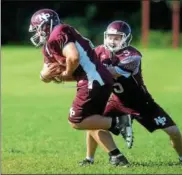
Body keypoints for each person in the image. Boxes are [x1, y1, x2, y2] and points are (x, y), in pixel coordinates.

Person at [80, 20, 182, 165]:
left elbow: (110, 72)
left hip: (142, 103)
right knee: (92, 123)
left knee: (174, 132)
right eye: (110, 37)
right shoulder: (99, 51)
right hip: (117, 101)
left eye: (117, 37)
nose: (112, 41)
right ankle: (89, 159)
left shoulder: (132, 56)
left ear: (125, 38)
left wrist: (88, 68)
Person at [28, 9, 134, 166]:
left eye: (38, 27)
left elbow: (74, 57)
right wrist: (46, 76)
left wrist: (65, 72)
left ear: (46, 25)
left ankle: (118, 121)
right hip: (96, 79)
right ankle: (114, 157)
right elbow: (54, 73)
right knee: (92, 121)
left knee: (77, 120)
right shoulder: (49, 45)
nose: (36, 32)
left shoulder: (58, 32)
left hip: (93, 79)